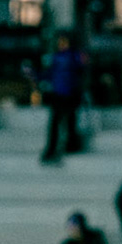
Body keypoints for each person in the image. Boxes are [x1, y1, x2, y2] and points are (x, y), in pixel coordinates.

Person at [39, 33, 86, 162]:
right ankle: (60, 147)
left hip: (67, 93)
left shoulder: (72, 56)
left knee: (66, 121)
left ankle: (64, 146)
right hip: (61, 93)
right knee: (60, 122)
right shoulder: (66, 57)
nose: (62, 45)